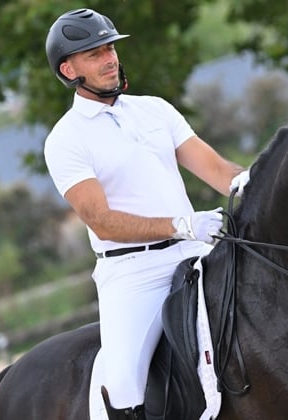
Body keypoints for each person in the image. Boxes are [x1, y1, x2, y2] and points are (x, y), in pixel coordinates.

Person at [44, 9, 249, 420]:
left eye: (110, 48)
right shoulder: (65, 139)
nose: (110, 58)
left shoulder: (154, 109)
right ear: (68, 69)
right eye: (94, 53)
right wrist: (180, 223)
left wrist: (254, 181)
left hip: (197, 251)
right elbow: (101, 220)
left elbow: (215, 170)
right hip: (134, 274)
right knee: (122, 383)